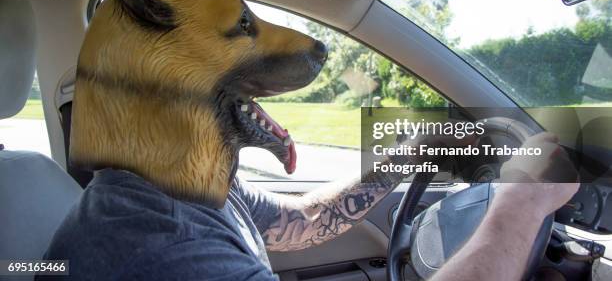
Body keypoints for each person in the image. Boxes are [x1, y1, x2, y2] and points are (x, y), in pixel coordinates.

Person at [41, 130, 577, 280]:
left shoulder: (185, 183)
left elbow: (302, 222)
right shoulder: (158, 243)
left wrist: (415, 152)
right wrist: (519, 206)